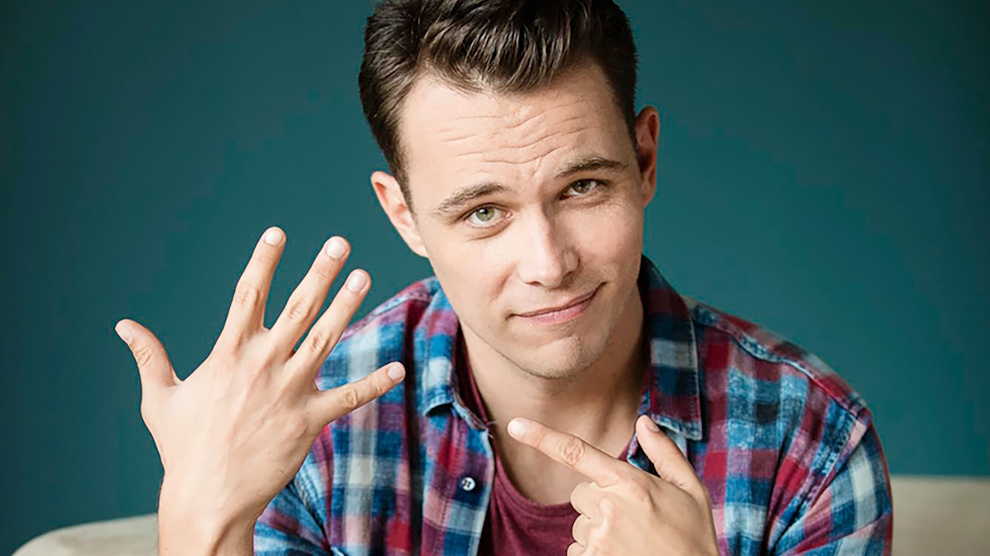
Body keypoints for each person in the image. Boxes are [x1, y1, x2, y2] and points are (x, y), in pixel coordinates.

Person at [114, 0, 893, 554]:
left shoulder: (808, 443)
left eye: (583, 187)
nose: (550, 264)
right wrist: (203, 521)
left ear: (645, 160)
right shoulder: (310, 428)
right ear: (404, 216)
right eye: (484, 211)